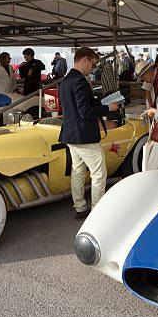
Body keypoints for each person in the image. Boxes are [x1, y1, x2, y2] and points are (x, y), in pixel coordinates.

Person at [58, 47, 118, 220]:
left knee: (78, 171)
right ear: (84, 59)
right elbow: (85, 111)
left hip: (70, 133)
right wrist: (108, 107)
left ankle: (80, 207)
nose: (93, 68)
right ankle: (97, 211)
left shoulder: (66, 80)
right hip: (83, 134)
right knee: (99, 173)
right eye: (92, 64)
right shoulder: (79, 81)